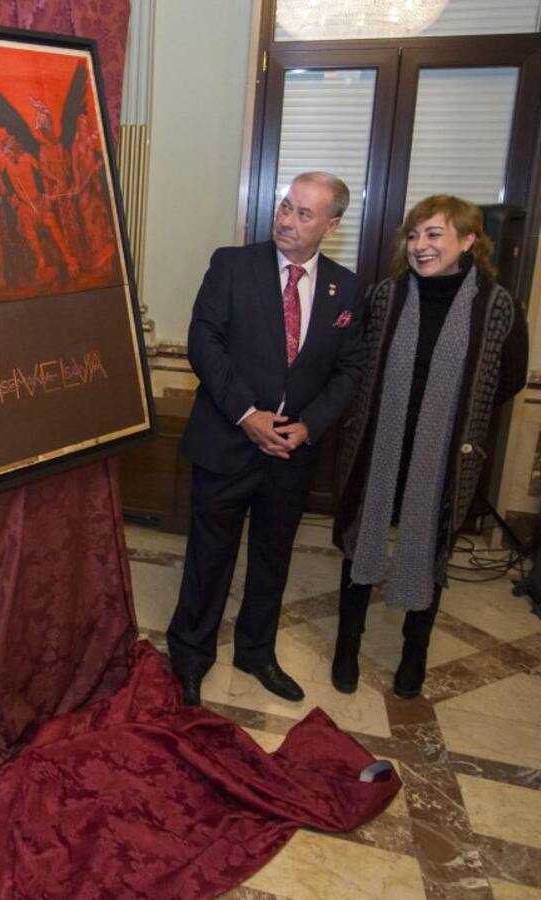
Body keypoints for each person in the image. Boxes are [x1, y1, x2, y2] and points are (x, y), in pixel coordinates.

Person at [167, 172, 364, 706]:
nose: (287, 220)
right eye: (285, 206)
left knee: (273, 559)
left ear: (332, 225)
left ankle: (256, 652)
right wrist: (246, 414)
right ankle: (190, 657)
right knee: (209, 558)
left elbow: (349, 370)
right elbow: (203, 340)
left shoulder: (346, 289)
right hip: (227, 442)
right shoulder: (232, 265)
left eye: (304, 213)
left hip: (290, 455)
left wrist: (309, 426)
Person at [330, 195, 527, 699]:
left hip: (445, 456)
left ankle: (413, 655)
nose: (420, 245)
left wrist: (460, 415)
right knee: (361, 539)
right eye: (414, 235)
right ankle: (347, 647)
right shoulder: (386, 295)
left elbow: (509, 378)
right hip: (378, 446)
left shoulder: (496, 305)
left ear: (468, 241)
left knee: (431, 546)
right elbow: (357, 361)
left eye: (434, 234)